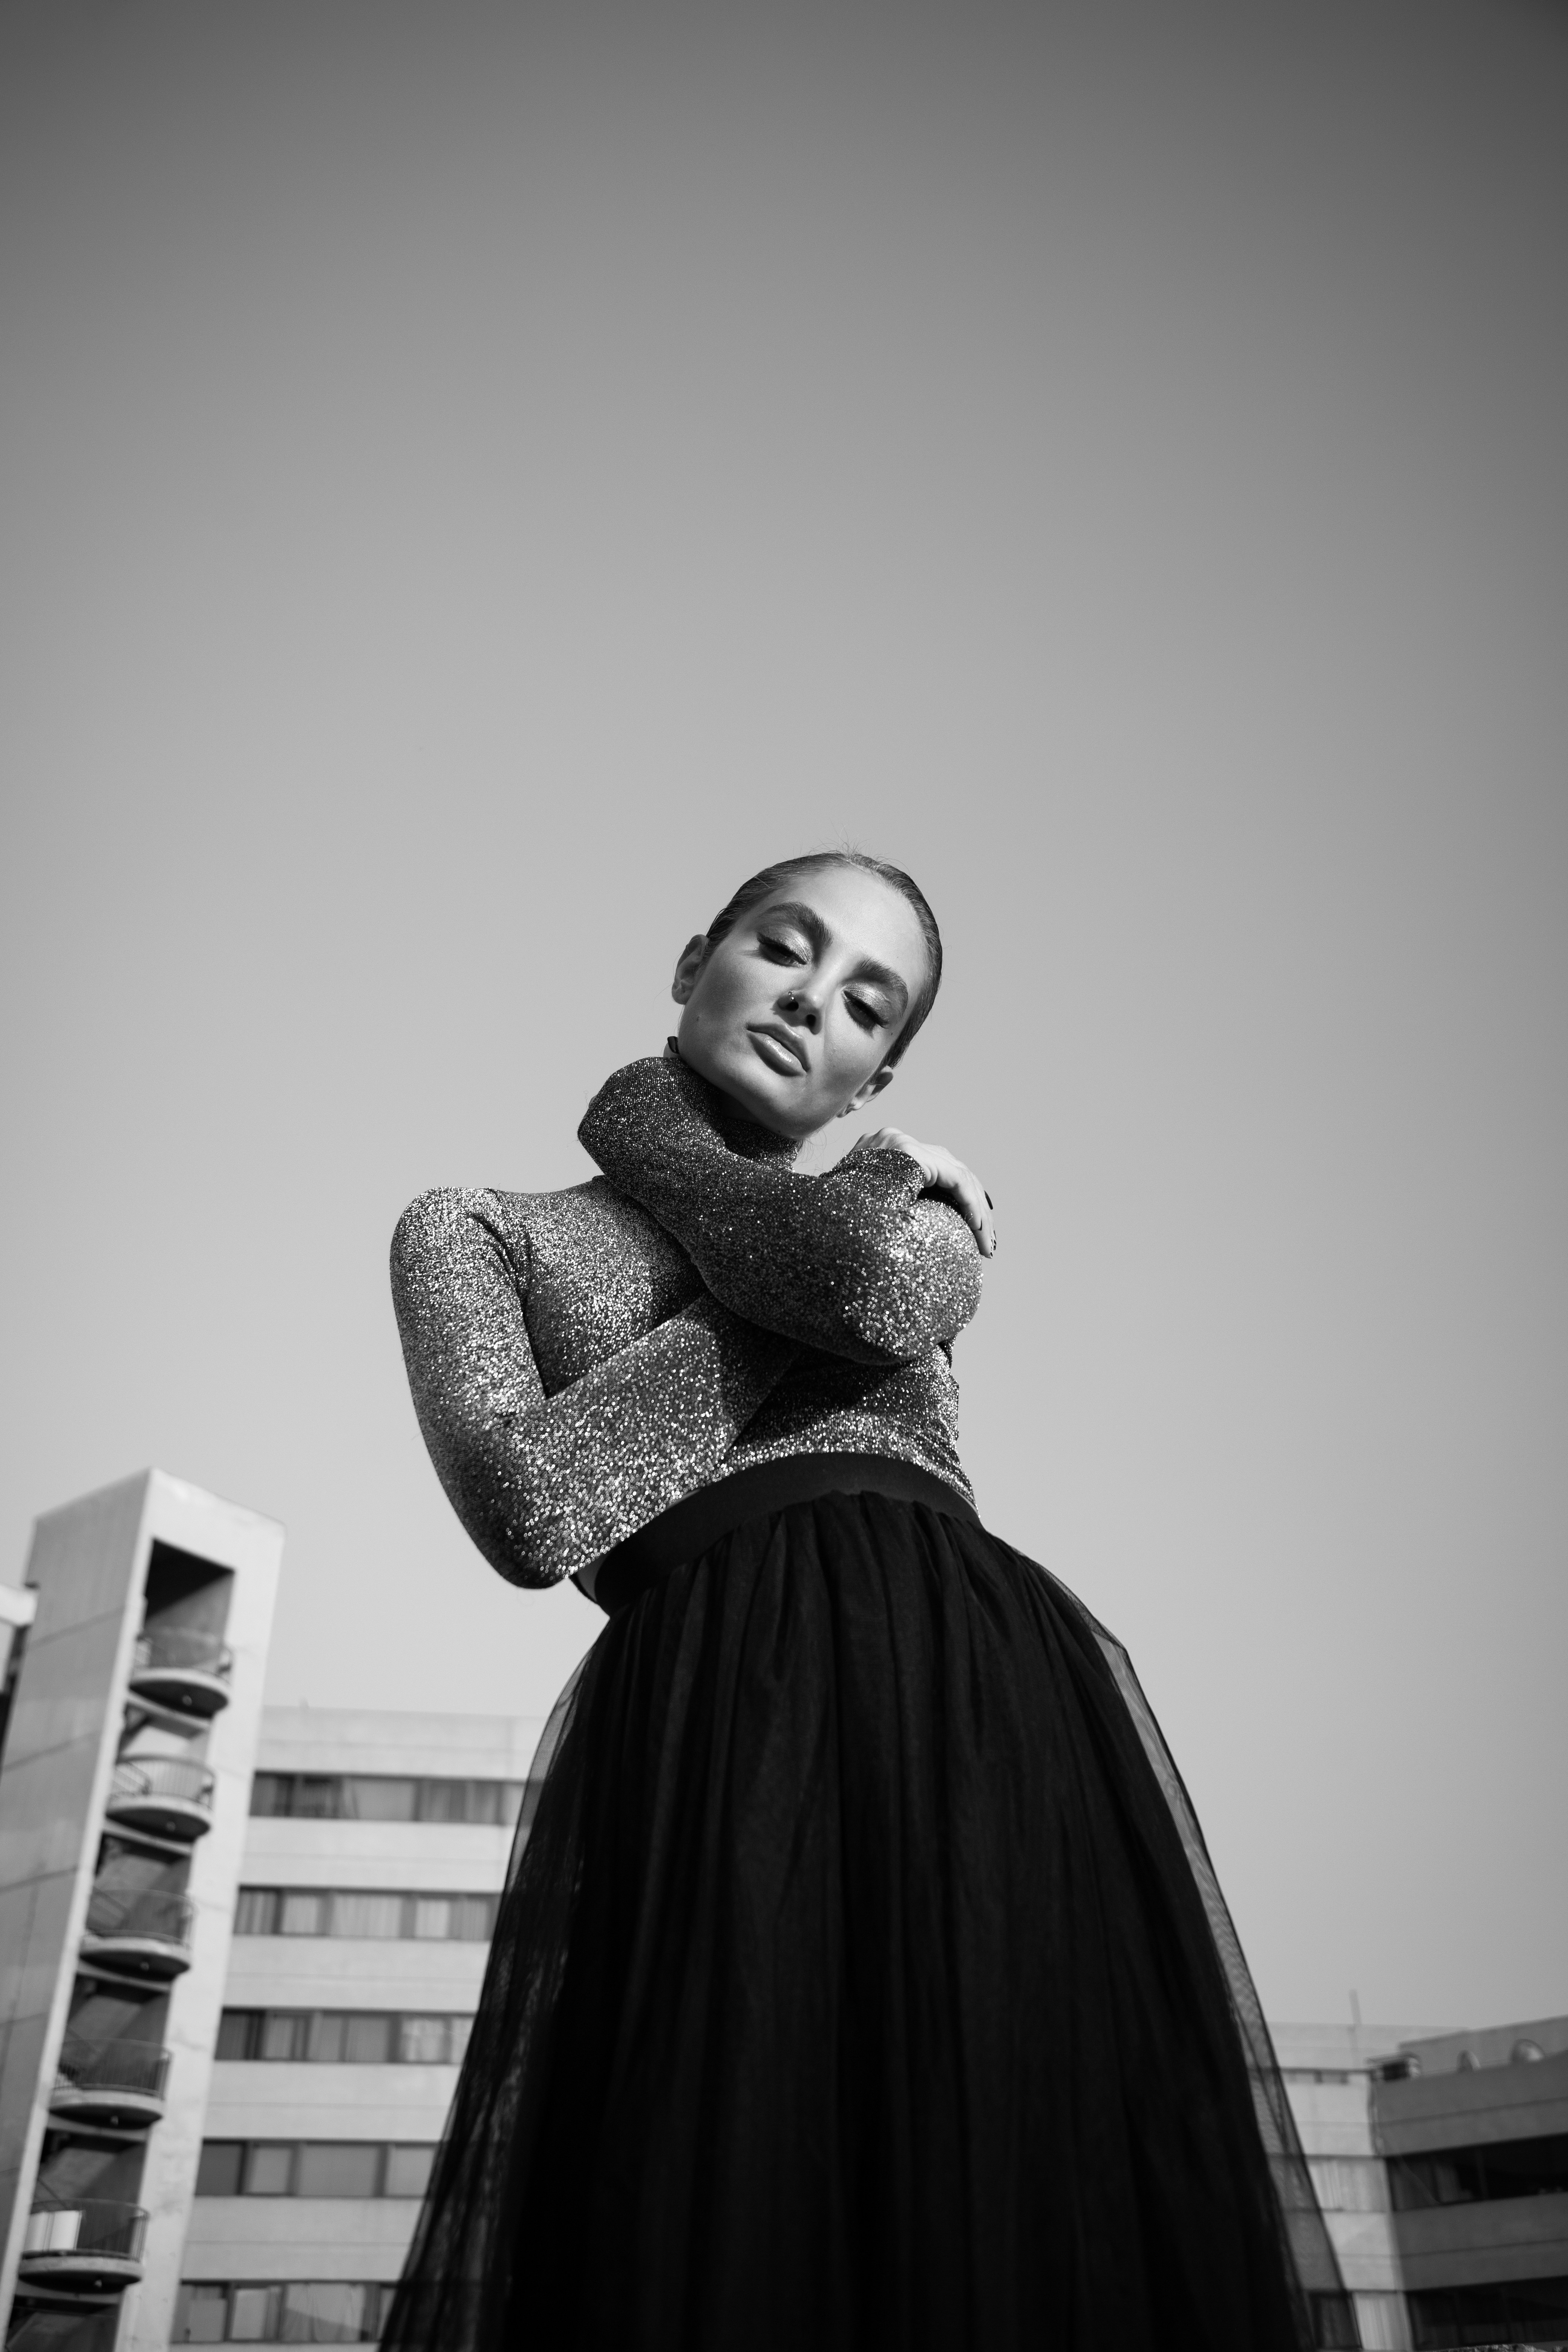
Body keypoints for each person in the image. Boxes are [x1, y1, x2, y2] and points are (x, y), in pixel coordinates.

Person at [381, 850, 1354, 2352]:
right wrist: (725, 1181)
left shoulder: (910, 1215)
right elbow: (532, 1510)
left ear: (869, 1076)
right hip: (713, 1708)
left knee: (1005, 2179)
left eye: (862, 1003)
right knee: (720, 2171)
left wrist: (696, 1159)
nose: (807, 1001)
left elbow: (886, 1301)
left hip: (968, 1692)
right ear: (694, 951)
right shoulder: (477, 1229)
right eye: (784, 946)